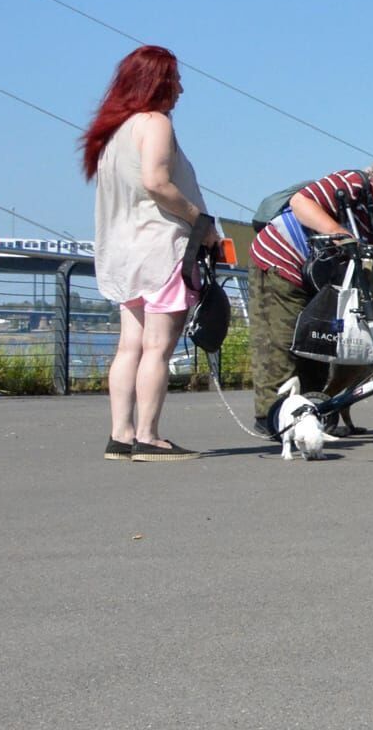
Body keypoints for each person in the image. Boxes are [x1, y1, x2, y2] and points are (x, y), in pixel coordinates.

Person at [83, 45, 213, 461]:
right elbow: (157, 183)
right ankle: (149, 436)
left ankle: (120, 435)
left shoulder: (113, 132)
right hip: (161, 248)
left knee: (130, 347)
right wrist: (201, 222)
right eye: (174, 79)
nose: (180, 88)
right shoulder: (155, 123)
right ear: (156, 82)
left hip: (123, 252)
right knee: (158, 347)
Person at [247, 152, 373, 429]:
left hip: (321, 278)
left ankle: (310, 410)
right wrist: (338, 232)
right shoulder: (353, 182)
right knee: (279, 342)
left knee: (315, 345)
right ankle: (272, 416)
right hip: (282, 260)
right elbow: (300, 201)